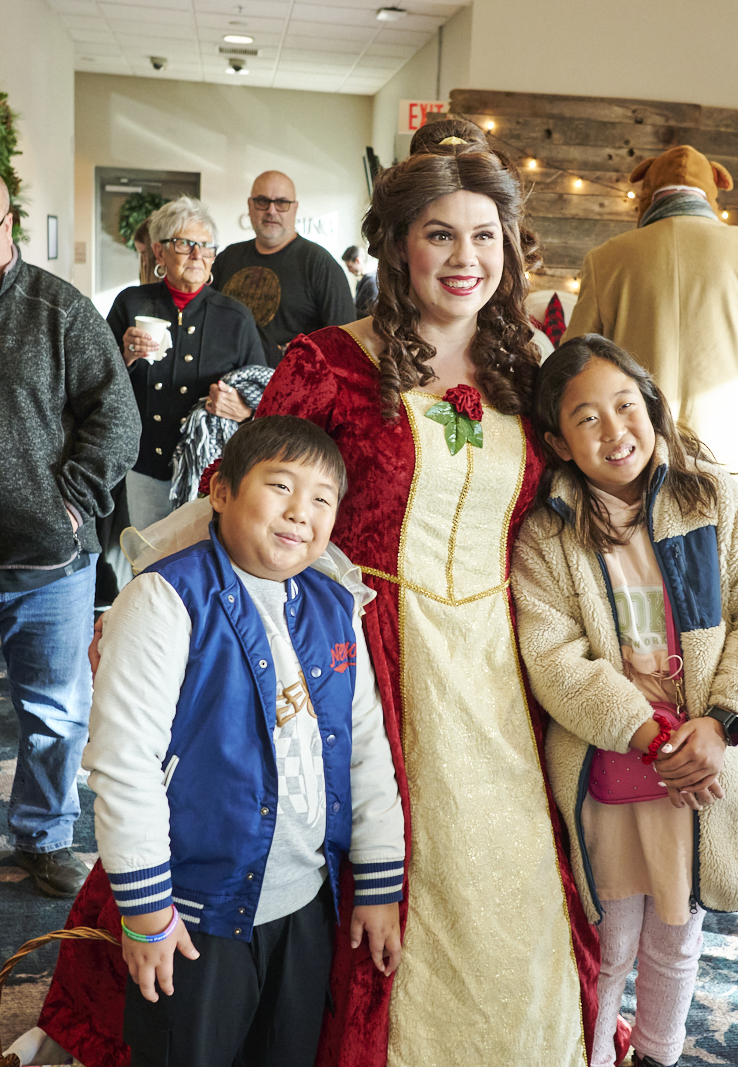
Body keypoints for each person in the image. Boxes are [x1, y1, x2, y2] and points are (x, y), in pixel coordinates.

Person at [40, 140, 598, 1067]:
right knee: (299, 849)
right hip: (356, 640)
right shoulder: (335, 359)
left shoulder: (530, 365)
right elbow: (242, 484)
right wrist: (147, 596)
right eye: (439, 235)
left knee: (505, 877)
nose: (466, 257)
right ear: (398, 245)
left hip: (496, 667)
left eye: (484, 235)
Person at [87, 415, 406, 1067]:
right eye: (280, 486)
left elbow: (365, 746)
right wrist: (148, 910)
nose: (300, 512)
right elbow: (124, 764)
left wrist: (377, 881)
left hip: (307, 905)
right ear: (223, 491)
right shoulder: (164, 598)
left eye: (322, 498)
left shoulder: (334, 600)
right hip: (197, 913)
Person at [513, 336, 738, 1067]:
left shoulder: (713, 499)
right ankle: (593, 1053)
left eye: (625, 406)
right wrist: (644, 732)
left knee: (678, 931)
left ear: (651, 406)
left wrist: (723, 718)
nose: (615, 431)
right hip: (616, 763)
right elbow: (555, 656)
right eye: (587, 419)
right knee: (608, 939)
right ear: (557, 440)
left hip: (704, 762)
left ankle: (660, 1053)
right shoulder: (548, 534)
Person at [0, 176, 138, 899]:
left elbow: (117, 418)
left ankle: (46, 832)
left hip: (48, 559)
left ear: (11, 220)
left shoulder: (58, 311)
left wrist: (73, 501)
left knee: (53, 711)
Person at [566, 145, 738, 504]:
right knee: (726, 552)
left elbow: (575, 363)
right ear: (712, 188)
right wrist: (725, 385)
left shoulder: (606, 258)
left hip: (631, 450)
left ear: (647, 192)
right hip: (722, 449)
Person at [108, 196, 267, 529]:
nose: (197, 254)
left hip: (211, 474)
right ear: (159, 251)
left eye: (206, 246)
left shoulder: (235, 317)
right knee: (149, 562)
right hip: (145, 466)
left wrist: (245, 409)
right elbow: (99, 381)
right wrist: (125, 356)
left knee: (202, 563)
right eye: (185, 244)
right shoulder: (130, 303)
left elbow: (266, 396)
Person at [211, 171, 355, 365]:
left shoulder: (320, 265)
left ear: (295, 208)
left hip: (291, 389)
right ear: (250, 205)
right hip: (224, 386)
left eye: (282, 203)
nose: (271, 210)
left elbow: (343, 344)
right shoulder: (228, 258)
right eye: (262, 201)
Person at [343, 244, 377, 318]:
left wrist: (348, 309)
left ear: (358, 260)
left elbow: (370, 314)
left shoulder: (371, 283)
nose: (349, 270)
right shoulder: (363, 281)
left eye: (350, 266)